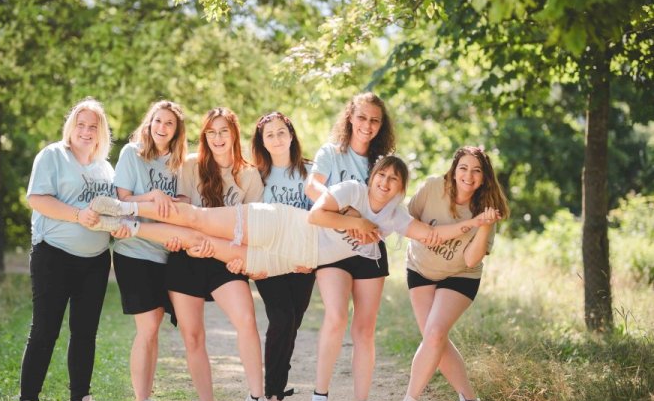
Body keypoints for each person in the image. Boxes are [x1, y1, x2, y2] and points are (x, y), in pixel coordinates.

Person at [86, 156, 497, 287]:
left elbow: (430, 232)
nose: (386, 184)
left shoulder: (393, 216)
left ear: (400, 188)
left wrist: (474, 222)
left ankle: (129, 228)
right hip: (282, 225)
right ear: (373, 177)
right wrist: (357, 226)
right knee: (193, 218)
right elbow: (318, 215)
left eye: (394, 180)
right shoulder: (353, 190)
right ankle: (127, 210)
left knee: (199, 244)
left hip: (292, 258)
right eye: (382, 176)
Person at [155, 107, 272, 401]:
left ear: (235, 134)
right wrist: (194, 242)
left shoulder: (249, 175)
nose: (218, 138)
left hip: (226, 259)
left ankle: (257, 400)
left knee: (246, 321)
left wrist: (235, 255)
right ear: (204, 136)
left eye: (224, 131)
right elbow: (178, 214)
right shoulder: (190, 165)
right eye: (211, 132)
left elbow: (254, 228)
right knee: (192, 336)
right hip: (187, 257)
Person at [15, 97, 129, 401]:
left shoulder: (105, 168)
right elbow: (36, 199)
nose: (86, 131)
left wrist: (119, 227)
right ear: (71, 127)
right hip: (53, 256)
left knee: (85, 333)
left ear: (101, 131)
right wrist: (79, 215)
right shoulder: (53, 155)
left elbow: (111, 212)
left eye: (93, 126)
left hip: (94, 261)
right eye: (80, 124)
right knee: (44, 330)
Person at [303, 92, 397, 401]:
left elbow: (392, 204)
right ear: (350, 118)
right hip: (332, 248)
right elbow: (313, 187)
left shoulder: (384, 162)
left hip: (370, 249)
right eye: (362, 118)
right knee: (337, 316)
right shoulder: (332, 152)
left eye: (375, 120)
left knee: (365, 329)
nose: (368, 126)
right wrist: (349, 214)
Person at [398, 146, 510, 401]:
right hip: (420, 269)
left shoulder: (486, 209)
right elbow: (406, 220)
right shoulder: (433, 187)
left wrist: (483, 225)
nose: (468, 175)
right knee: (434, 338)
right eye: (463, 168)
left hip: (461, 275)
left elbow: (471, 258)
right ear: (453, 169)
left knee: (435, 333)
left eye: (476, 170)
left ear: (484, 178)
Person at [111, 100, 187, 401]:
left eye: (169, 123)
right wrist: (153, 196)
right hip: (134, 251)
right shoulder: (132, 153)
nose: (162, 127)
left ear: (176, 130)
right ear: (149, 122)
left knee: (154, 331)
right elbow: (121, 200)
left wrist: (173, 206)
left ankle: (148, 400)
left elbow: (185, 202)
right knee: (147, 330)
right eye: (158, 120)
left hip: (164, 254)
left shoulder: (180, 163)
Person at [249, 112, 315, 401]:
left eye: (280, 132)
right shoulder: (255, 176)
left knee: (292, 326)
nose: (276, 139)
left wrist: (313, 258)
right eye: (269, 135)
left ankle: (277, 399)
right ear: (262, 142)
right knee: (282, 318)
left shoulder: (311, 172)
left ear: (291, 135)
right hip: (270, 259)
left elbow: (321, 217)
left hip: (303, 261)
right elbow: (248, 219)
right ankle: (268, 398)